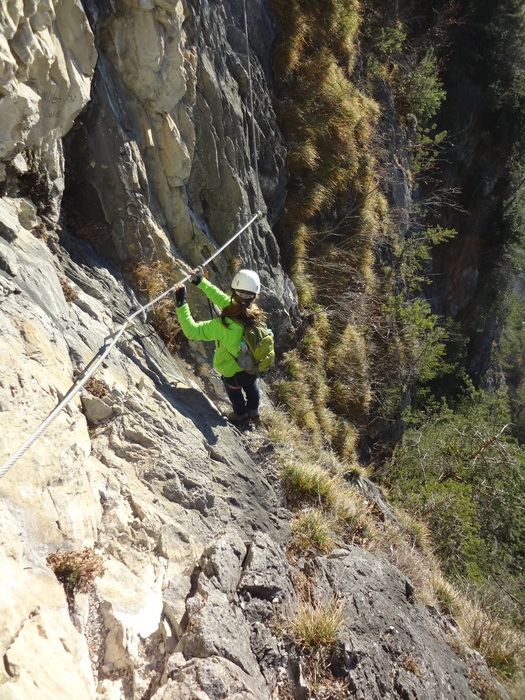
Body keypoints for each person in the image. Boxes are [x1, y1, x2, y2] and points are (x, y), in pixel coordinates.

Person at [173, 267, 265, 424]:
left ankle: (241, 415)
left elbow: (191, 331)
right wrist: (201, 282)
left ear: (234, 290)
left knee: (234, 391)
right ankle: (253, 412)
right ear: (254, 295)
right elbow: (223, 300)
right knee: (251, 385)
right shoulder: (255, 314)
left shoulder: (225, 326)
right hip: (253, 365)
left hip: (232, 372)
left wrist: (181, 304)